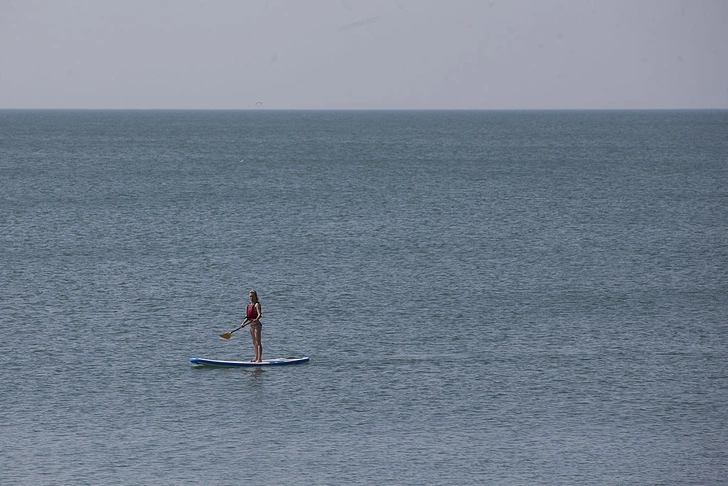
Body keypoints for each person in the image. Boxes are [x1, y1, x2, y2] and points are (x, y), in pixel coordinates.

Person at [240, 290, 263, 362]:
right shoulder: (248, 306)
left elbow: (259, 315)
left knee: (258, 342)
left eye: (253, 296)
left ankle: (259, 359)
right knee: (254, 342)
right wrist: (243, 323)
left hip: (257, 325)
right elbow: (248, 317)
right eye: (250, 296)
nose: (251, 298)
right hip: (251, 326)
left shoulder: (256, 305)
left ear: (256, 297)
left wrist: (256, 319)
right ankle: (256, 357)